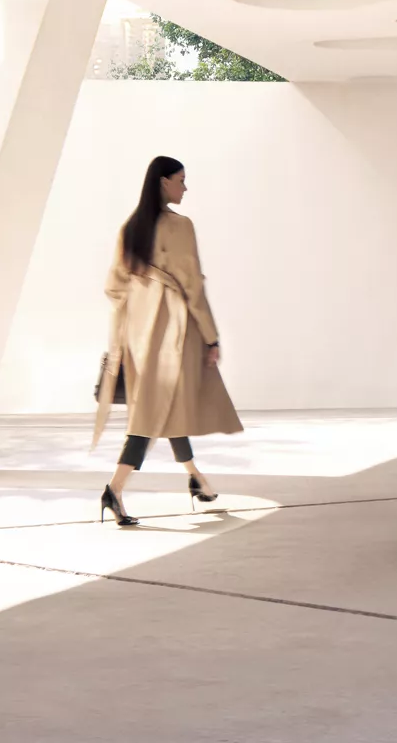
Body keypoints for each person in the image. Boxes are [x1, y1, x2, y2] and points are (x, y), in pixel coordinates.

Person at [93, 156, 243, 525]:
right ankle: (114, 489)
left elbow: (113, 288)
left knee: (168, 409)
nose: (185, 187)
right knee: (152, 416)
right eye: (181, 180)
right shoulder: (180, 226)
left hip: (141, 339)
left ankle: (198, 480)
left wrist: (143, 303)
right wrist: (211, 337)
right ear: (163, 182)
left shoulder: (130, 228)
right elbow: (192, 286)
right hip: (178, 335)